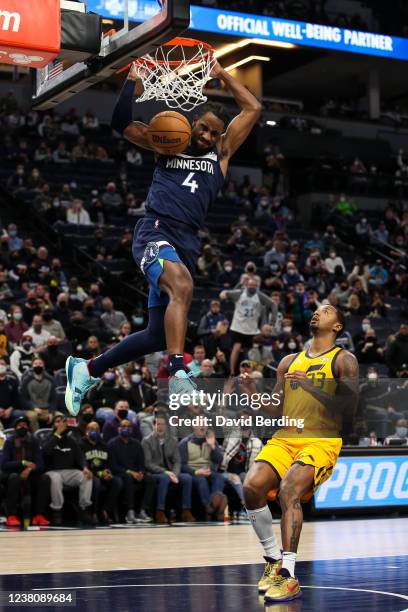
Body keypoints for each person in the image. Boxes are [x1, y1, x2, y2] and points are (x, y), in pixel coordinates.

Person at [65, 58, 262, 415]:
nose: (205, 136)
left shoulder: (222, 152)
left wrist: (222, 75)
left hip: (186, 241)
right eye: (202, 128)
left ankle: (86, 369)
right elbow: (120, 123)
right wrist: (132, 81)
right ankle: (177, 369)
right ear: (193, 123)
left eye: (212, 132)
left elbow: (253, 106)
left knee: (158, 334)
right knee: (183, 287)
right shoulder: (167, 141)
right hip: (155, 230)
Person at [243, 304, 359, 603]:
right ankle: (272, 561)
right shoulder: (289, 362)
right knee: (251, 487)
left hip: (321, 441)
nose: (319, 313)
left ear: (337, 327)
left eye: (328, 311)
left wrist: (312, 388)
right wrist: (253, 395)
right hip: (286, 437)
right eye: (317, 310)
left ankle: (289, 575)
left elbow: (349, 409)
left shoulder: (344, 360)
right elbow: (277, 409)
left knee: (288, 490)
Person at [142, 413, 195, 524]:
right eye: (158, 424)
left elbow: (177, 461)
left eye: (163, 424)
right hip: (155, 473)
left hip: (171, 472)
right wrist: (166, 472)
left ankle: (186, 510)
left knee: (187, 478)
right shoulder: (146, 441)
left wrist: (174, 474)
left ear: (166, 426)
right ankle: (160, 511)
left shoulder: (173, 440)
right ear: (153, 426)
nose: (160, 427)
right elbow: (148, 464)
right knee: (164, 479)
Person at [43, 415, 93, 525]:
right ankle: (57, 511)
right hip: (52, 471)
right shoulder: (48, 437)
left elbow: (80, 457)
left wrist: (85, 467)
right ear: (53, 425)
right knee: (55, 478)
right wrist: (57, 434)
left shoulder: (71, 441)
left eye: (63, 422)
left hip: (68, 472)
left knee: (86, 476)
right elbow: (46, 450)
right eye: (57, 422)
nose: (61, 424)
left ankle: (83, 509)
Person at [220, 279, 277, 375]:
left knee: (252, 351)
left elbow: (273, 304)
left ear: (257, 286)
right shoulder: (240, 293)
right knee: (236, 348)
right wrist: (223, 293)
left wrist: (272, 322)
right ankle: (232, 372)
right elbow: (227, 293)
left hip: (252, 329)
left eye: (255, 286)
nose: (252, 288)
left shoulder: (259, 295)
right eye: (251, 285)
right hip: (238, 327)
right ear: (247, 285)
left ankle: (251, 372)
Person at [1, 416, 50, 527]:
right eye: (19, 425)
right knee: (15, 478)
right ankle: (11, 516)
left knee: (45, 478)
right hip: (11, 473)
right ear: (15, 428)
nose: (22, 427)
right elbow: (4, 464)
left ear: (28, 427)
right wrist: (23, 463)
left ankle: (39, 515)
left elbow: (41, 464)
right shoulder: (9, 441)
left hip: (29, 473)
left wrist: (28, 469)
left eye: (24, 425)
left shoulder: (34, 441)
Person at [108, 419, 155, 523]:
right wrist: (131, 472)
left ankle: (143, 510)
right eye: (123, 426)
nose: (126, 429)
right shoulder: (112, 444)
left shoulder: (137, 444)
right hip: (121, 473)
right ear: (118, 429)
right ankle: (130, 511)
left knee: (150, 479)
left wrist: (141, 472)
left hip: (136, 473)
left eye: (128, 427)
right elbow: (113, 466)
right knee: (128, 478)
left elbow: (141, 463)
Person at [179, 425, 226, 521]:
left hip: (208, 470)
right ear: (193, 427)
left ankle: (215, 505)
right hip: (193, 472)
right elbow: (181, 465)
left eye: (204, 424)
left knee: (219, 477)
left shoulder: (211, 441)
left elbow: (219, 460)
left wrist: (212, 446)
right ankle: (209, 508)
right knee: (201, 480)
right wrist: (196, 472)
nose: (202, 426)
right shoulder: (185, 443)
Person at [81, 421, 122, 524]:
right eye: (91, 429)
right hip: (89, 475)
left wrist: (108, 472)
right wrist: (99, 474)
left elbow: (110, 463)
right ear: (86, 431)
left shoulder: (104, 445)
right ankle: (93, 512)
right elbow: (81, 464)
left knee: (117, 481)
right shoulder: (81, 445)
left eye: (96, 429)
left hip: (102, 474)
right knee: (96, 483)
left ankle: (105, 510)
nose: (94, 431)